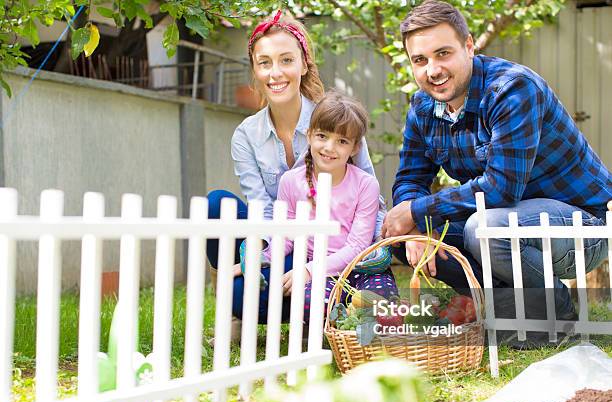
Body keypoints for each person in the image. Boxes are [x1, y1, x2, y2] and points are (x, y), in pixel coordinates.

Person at [381, 0, 611, 345]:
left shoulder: (512, 89)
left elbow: (501, 189)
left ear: (469, 46)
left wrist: (416, 211)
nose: (433, 70)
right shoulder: (423, 107)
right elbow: (411, 178)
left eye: (443, 53)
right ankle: (498, 309)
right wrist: (414, 227)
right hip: (508, 227)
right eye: (420, 60)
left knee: (483, 228)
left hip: (581, 226)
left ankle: (556, 313)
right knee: (398, 236)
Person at [206, 11, 387, 325]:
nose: (275, 73)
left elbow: (368, 189)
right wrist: (256, 257)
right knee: (217, 206)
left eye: (286, 60)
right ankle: (241, 309)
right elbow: (262, 207)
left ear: (304, 64)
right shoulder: (246, 135)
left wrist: (366, 255)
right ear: (255, 70)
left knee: (275, 290)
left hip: (332, 246)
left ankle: (321, 303)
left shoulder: (336, 122)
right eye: (265, 63)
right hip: (284, 237)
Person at [266, 91, 397, 315]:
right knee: (307, 303)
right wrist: (259, 258)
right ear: (309, 136)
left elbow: (357, 247)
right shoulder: (290, 181)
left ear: (355, 148)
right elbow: (287, 236)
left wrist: (307, 270)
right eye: (322, 136)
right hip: (323, 273)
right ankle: (340, 320)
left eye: (342, 141)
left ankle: (353, 320)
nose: (329, 147)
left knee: (385, 305)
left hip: (362, 269)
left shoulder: (366, 185)